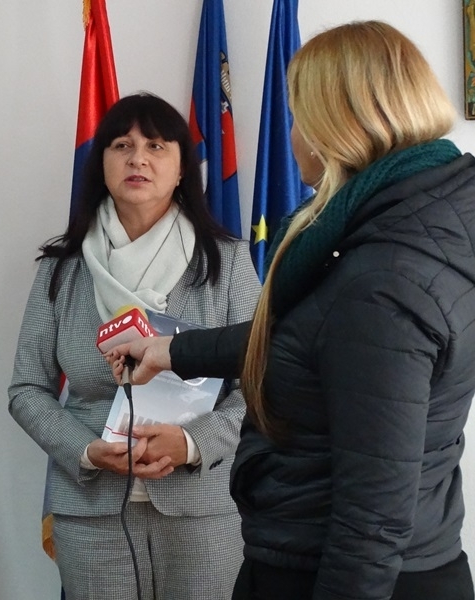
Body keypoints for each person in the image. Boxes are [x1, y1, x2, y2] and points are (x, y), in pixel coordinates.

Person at [108, 21, 475, 600]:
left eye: (299, 116)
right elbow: (311, 340)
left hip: (342, 573)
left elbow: (373, 518)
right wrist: (173, 351)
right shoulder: (401, 226)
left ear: (336, 127)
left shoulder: (382, 278)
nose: (293, 134)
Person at [8, 93, 260, 599]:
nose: (138, 159)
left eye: (156, 146)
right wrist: (85, 450)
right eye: (122, 145)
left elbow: (260, 384)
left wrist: (192, 443)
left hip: (203, 508)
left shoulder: (228, 262)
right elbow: (27, 389)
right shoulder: (61, 270)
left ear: (182, 168)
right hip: (91, 511)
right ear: (101, 164)